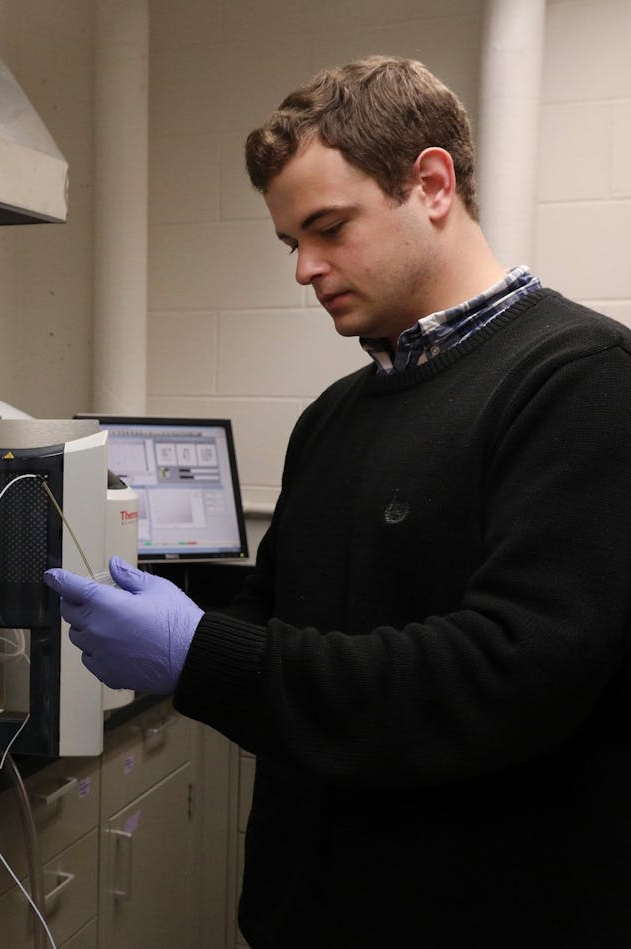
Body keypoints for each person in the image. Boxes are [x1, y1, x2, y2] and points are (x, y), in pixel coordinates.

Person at [44, 55, 631, 948]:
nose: (304, 269)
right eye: (291, 243)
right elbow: (282, 612)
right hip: (305, 914)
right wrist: (129, 589)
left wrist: (198, 652)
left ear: (431, 184)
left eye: (328, 229)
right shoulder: (335, 417)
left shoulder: (580, 382)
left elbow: (504, 676)